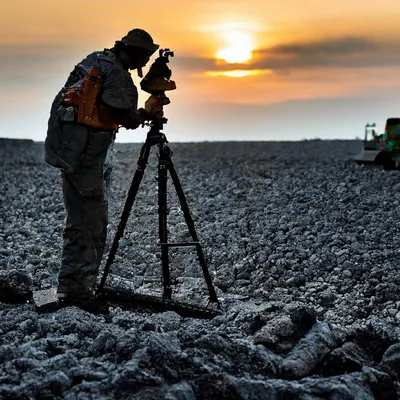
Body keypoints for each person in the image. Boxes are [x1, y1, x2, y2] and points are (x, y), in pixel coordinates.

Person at [44, 29, 159, 311]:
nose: (143, 62)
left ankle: (74, 287)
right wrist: (145, 113)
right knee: (89, 222)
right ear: (136, 54)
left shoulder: (95, 60)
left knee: (80, 219)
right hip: (85, 160)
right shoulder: (116, 72)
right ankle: (76, 294)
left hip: (71, 154)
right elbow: (123, 113)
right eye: (144, 56)